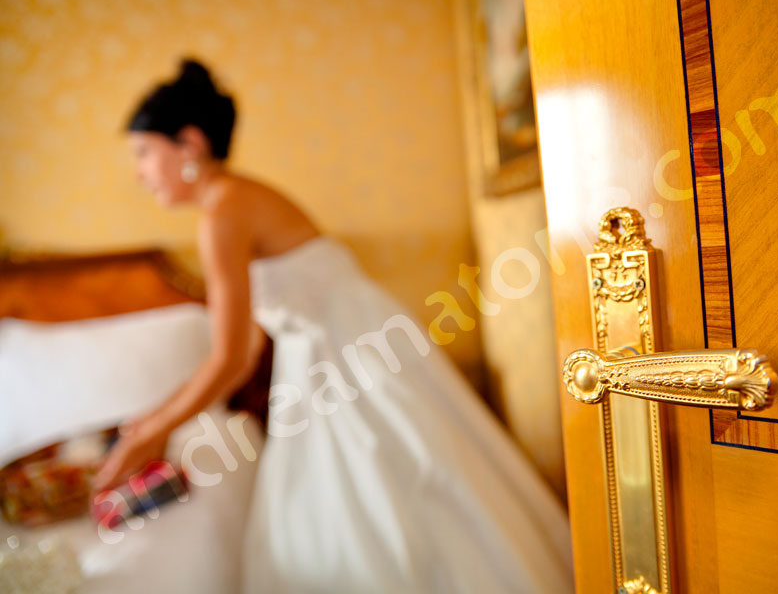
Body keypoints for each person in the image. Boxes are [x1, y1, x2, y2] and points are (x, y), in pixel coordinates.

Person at [97, 57, 574, 593]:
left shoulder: (223, 214)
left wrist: (152, 431)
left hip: (350, 354)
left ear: (188, 143)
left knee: (395, 480)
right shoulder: (236, 199)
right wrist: (156, 421)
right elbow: (251, 339)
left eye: (143, 153)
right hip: (342, 347)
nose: (139, 173)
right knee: (394, 483)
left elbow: (233, 357)